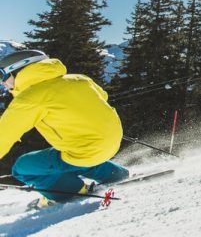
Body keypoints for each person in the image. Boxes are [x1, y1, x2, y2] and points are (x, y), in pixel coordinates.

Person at [0, 49, 128, 207]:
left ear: (19, 70)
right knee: (65, 155)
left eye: (3, 76)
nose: (2, 83)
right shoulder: (80, 79)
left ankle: (73, 191)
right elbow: (102, 97)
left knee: (22, 167)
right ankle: (116, 174)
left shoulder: (30, 98)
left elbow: (3, 136)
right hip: (112, 140)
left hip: (85, 150)